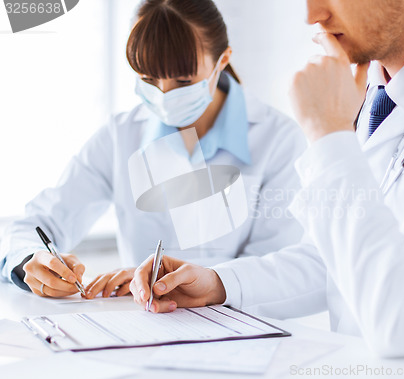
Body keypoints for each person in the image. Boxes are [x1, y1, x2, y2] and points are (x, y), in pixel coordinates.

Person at [129, 0, 404, 363]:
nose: (311, 15)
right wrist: (217, 284)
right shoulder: (371, 89)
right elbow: (330, 260)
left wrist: (328, 134)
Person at [0, 0, 306, 299]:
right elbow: (35, 225)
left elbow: (277, 274)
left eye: (184, 80)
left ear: (222, 60)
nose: (164, 95)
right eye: (148, 79)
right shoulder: (120, 136)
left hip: (244, 337)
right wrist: (31, 260)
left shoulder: (279, 140)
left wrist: (189, 283)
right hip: (144, 333)